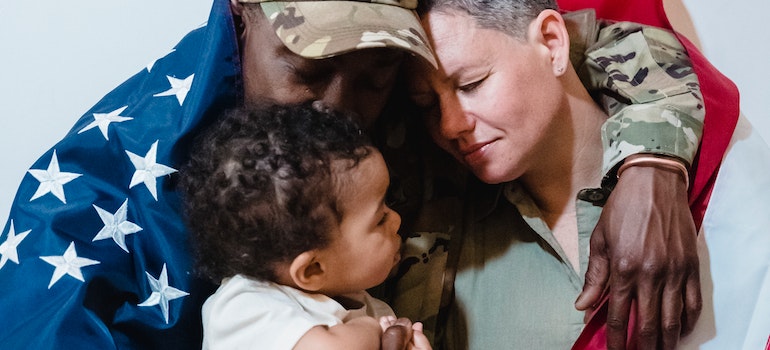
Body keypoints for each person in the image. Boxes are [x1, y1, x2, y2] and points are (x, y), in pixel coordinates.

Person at [0, 0, 728, 348]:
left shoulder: (422, 122)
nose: (344, 112)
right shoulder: (118, 172)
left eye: (380, 77)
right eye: (310, 71)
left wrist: (651, 159)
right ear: (244, 18)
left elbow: (601, 41)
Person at [393, 0, 765, 348]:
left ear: (552, 42)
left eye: (472, 84)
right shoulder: (434, 249)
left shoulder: (718, 183)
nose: (449, 125)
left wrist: (657, 162)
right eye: (426, 105)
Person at [177, 103, 431, 350]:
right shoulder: (244, 305)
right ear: (312, 270)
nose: (396, 219)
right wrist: (372, 329)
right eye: (380, 218)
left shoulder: (376, 309)